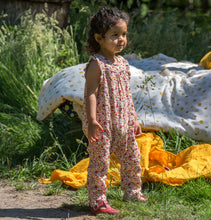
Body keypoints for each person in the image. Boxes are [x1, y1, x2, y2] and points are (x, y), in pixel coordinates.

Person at [82, 7, 148, 215]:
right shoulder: (97, 64)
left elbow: (126, 94)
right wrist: (92, 120)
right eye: (115, 35)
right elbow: (90, 93)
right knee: (100, 164)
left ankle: (132, 191)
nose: (121, 39)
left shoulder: (123, 63)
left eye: (124, 34)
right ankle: (98, 201)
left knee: (132, 158)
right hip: (102, 124)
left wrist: (134, 117)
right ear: (99, 38)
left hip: (123, 123)